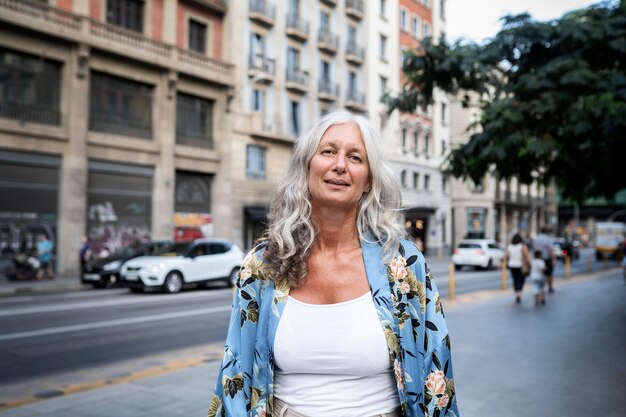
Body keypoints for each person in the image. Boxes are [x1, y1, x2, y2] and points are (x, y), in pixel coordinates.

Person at [208, 112, 459, 417]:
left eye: (355, 157)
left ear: (368, 181)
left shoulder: (402, 263)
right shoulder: (264, 264)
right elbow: (235, 372)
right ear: (307, 167)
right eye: (328, 151)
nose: (340, 165)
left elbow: (437, 369)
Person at [505, 233, 531, 304]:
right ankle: (519, 293)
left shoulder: (510, 246)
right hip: (520, 265)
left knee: (515, 279)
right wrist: (529, 264)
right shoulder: (522, 246)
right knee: (521, 280)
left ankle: (516, 293)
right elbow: (527, 255)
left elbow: (506, 255)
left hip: (512, 265)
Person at [533, 226, 556, 293]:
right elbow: (550, 250)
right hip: (547, 259)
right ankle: (550, 287)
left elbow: (534, 249)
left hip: (538, 259)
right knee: (549, 274)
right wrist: (553, 259)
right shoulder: (548, 239)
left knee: (540, 274)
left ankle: (539, 287)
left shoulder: (536, 239)